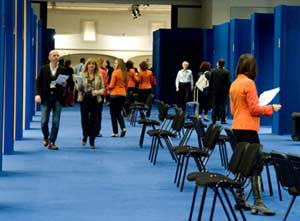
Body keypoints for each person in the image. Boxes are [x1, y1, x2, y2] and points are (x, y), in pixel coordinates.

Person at [229, 53, 281, 216]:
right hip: (249, 129)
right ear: (252, 68)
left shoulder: (235, 84)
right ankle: (258, 202)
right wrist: (270, 108)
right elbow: (253, 109)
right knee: (256, 165)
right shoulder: (249, 83)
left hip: (237, 126)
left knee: (243, 163)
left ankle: (240, 197)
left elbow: (233, 110)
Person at [35, 50, 67, 150]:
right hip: (45, 97)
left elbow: (66, 83)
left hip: (58, 98)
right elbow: (38, 83)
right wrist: (37, 94)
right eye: (54, 55)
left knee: (56, 122)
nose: (56, 57)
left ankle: (52, 142)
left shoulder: (62, 69)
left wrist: (64, 84)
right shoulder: (43, 69)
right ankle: (45, 136)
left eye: (57, 55)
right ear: (49, 57)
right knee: (44, 121)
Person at [76, 58, 105, 149]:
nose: (91, 65)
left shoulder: (99, 76)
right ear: (87, 65)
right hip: (84, 98)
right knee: (84, 119)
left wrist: (97, 92)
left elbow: (103, 89)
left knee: (94, 120)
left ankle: (92, 140)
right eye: (89, 64)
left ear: (96, 66)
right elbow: (77, 88)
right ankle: (85, 135)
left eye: (93, 64)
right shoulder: (81, 75)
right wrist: (80, 85)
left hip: (95, 99)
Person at [108, 58, 128, 137]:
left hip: (114, 95)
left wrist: (107, 87)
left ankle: (115, 132)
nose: (114, 64)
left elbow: (112, 85)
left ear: (119, 64)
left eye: (115, 63)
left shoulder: (115, 72)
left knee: (113, 114)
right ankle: (123, 128)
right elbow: (126, 86)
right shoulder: (126, 73)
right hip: (122, 95)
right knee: (119, 112)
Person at [210, 59, 231, 124]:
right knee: (223, 105)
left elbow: (210, 81)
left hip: (215, 91)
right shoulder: (227, 72)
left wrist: (211, 89)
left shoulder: (213, 71)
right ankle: (223, 120)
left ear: (218, 64)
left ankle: (213, 120)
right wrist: (228, 90)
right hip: (223, 92)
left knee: (214, 105)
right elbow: (228, 82)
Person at [97, 58, 109, 137]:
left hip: (93, 93)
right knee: (98, 113)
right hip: (100, 93)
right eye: (105, 62)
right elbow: (105, 83)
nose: (106, 64)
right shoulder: (103, 72)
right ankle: (97, 131)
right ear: (101, 63)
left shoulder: (97, 70)